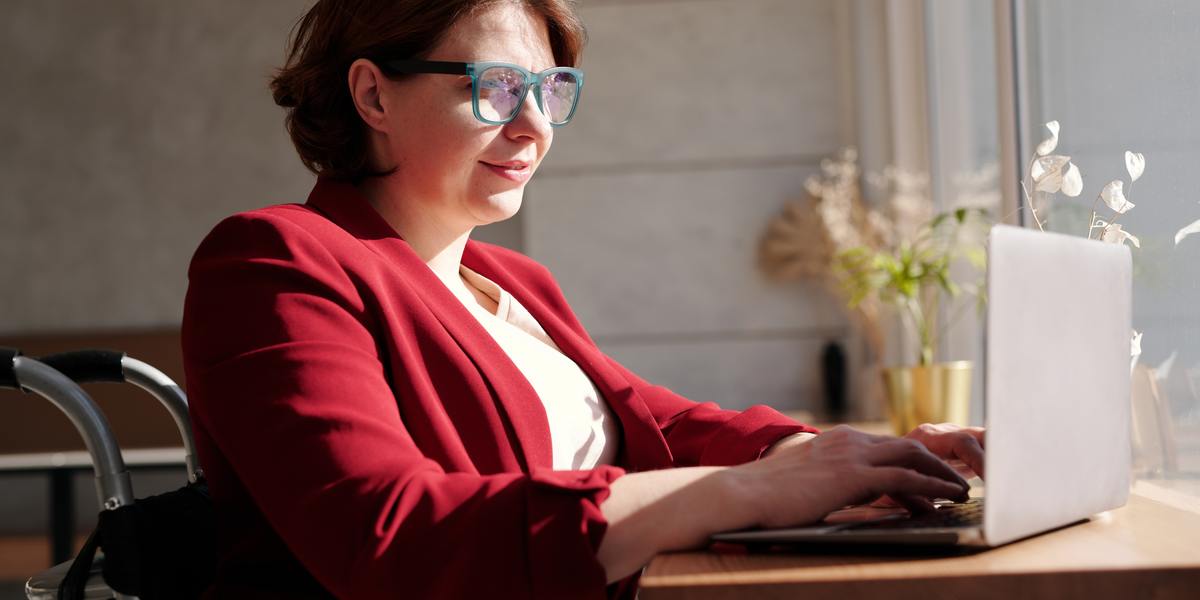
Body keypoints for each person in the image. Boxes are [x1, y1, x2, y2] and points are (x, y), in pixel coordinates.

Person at [180, 0, 986, 598]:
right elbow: (389, 536)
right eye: (495, 87)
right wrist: (749, 490)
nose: (534, 124)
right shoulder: (276, 260)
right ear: (373, 95)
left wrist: (839, 455)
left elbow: (658, 424)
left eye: (549, 89)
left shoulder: (515, 285)